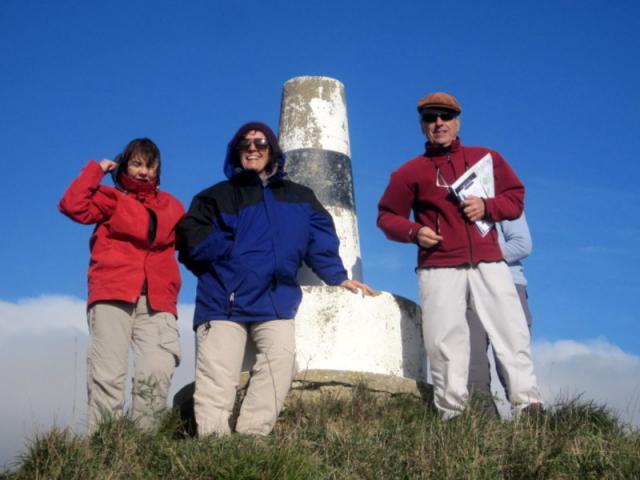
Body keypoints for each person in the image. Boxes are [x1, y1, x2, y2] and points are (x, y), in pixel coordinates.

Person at [178, 121, 372, 437]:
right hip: (222, 301)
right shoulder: (213, 197)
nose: (253, 149)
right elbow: (191, 244)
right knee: (217, 376)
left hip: (276, 299)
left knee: (280, 363)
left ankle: (252, 437)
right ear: (235, 151)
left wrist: (339, 278)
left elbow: (319, 240)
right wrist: (234, 248)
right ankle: (213, 445)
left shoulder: (300, 196)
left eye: (260, 143)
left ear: (272, 151)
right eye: (245, 144)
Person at [377, 92, 543, 419]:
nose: (439, 123)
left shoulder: (487, 159)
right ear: (422, 125)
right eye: (430, 117)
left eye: (446, 116)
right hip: (437, 265)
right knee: (444, 340)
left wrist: (488, 206)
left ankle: (529, 406)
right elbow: (386, 216)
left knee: (511, 331)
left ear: (457, 122)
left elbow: (515, 196)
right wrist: (413, 232)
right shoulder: (408, 172)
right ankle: (452, 414)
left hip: (489, 261)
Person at [58, 138, 185, 432]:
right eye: (137, 164)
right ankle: (106, 447)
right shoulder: (109, 198)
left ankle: (143, 448)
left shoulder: (171, 205)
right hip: (112, 291)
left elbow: (193, 243)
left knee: (156, 371)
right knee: (107, 373)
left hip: (158, 299)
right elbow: (72, 205)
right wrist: (96, 169)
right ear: (125, 165)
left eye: (150, 165)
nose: (143, 171)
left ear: (158, 170)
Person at [467, 213, 534, 417]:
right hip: (465, 290)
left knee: (513, 363)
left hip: (507, 284)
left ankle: (534, 429)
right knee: (471, 367)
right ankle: (486, 433)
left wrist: (472, 254)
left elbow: (522, 244)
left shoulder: (500, 194)